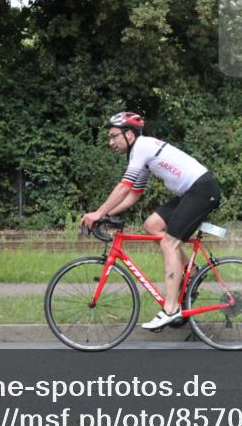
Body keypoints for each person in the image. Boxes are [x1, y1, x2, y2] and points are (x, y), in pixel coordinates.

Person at [81, 111, 222, 329]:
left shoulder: (142, 147)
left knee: (169, 243)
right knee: (152, 225)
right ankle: (190, 271)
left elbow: (123, 187)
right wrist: (107, 215)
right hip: (191, 192)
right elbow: (133, 195)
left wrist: (98, 213)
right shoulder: (142, 156)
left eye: (113, 136)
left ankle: (171, 308)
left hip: (201, 190)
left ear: (129, 134)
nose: (111, 142)